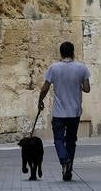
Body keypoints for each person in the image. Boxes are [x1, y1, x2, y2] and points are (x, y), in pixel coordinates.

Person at [37, 41, 90, 181]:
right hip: (75, 112)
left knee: (59, 139)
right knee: (71, 141)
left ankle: (64, 161)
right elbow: (87, 89)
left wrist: (40, 101)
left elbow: (45, 88)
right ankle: (69, 168)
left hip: (59, 113)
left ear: (61, 53)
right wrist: (77, 83)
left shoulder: (54, 68)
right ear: (73, 52)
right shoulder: (81, 68)